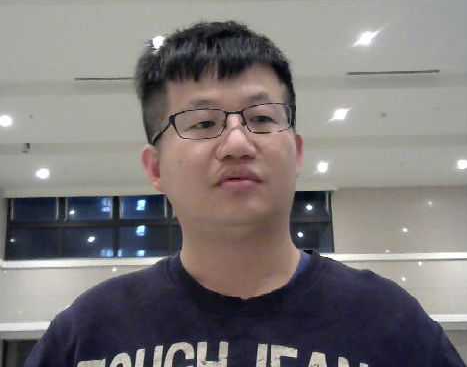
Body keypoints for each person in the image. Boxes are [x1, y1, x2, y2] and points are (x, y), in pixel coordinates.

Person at [25, 21, 465, 367]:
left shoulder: (390, 324)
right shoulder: (89, 332)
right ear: (155, 168)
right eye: (203, 123)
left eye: (261, 118)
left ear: (296, 153)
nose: (237, 143)